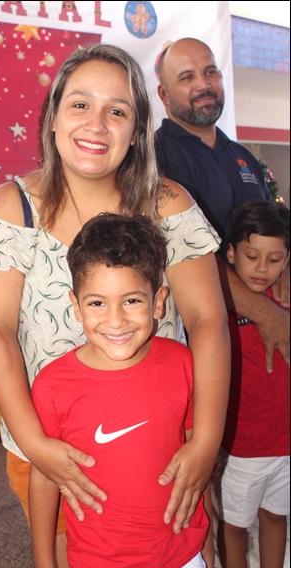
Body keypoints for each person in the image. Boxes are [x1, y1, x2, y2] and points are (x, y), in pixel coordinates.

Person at [0, 43, 230, 568]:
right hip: (57, 451)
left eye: (117, 110)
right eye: (80, 104)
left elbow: (207, 320)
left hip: (165, 445)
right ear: (53, 116)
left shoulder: (169, 204)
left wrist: (204, 442)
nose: (97, 124)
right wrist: (37, 446)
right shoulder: (11, 211)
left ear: (137, 129)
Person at [30, 212, 210, 568]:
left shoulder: (182, 363)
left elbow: (195, 465)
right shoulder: (52, 386)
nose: (115, 321)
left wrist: (205, 549)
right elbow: (44, 477)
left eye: (131, 300)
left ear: (158, 302)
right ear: (76, 306)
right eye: (97, 303)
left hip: (183, 562)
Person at [154, 38, 290, 374]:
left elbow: (271, 231)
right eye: (187, 77)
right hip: (202, 341)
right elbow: (189, 255)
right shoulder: (157, 158)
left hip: (263, 335)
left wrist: (284, 267)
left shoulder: (242, 156)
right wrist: (266, 312)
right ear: (164, 95)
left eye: (211, 72)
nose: (204, 84)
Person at [216, 202, 290, 568]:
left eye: (274, 259)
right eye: (251, 256)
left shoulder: (286, 302)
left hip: (286, 447)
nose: (262, 268)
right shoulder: (220, 307)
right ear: (230, 254)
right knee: (235, 528)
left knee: (276, 517)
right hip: (244, 450)